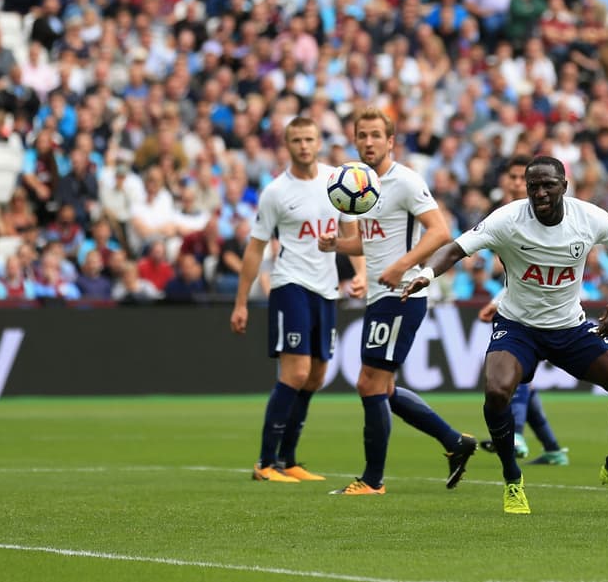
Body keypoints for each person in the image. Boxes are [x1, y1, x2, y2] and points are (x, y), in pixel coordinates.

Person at [400, 156, 608, 514]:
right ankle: (512, 480)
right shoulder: (507, 220)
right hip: (518, 327)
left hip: (570, 327)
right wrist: (427, 275)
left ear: (564, 185)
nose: (540, 192)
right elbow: (456, 249)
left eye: (548, 184)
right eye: (532, 185)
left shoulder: (589, 218)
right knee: (497, 391)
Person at [317, 107, 477, 495]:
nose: (368, 142)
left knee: (369, 383)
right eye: (362, 135)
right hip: (380, 294)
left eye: (376, 135)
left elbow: (440, 232)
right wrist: (337, 245)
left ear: (390, 141)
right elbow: (369, 241)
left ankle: (373, 480)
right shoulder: (363, 186)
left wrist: (401, 265)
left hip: (401, 293)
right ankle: (456, 442)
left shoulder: (404, 181)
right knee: (381, 387)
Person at [230, 117, 365, 483]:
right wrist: (242, 302)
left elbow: (350, 231)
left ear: (319, 141)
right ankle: (264, 462)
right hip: (290, 283)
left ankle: (288, 460)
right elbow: (256, 248)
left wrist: (362, 272)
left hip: (327, 288)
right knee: (297, 372)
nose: (304, 146)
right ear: (286, 145)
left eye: (309, 139)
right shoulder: (276, 192)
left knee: (317, 376)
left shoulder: (336, 182)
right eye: (297, 140)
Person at [475, 155, 569, 466]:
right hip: (520, 302)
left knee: (517, 374)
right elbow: (519, 273)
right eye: (513, 178)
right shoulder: (506, 218)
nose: (517, 184)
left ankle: (514, 435)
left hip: (549, 309)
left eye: (521, 178)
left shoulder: (551, 216)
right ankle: (553, 448)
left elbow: (539, 271)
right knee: (519, 379)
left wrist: (498, 301)